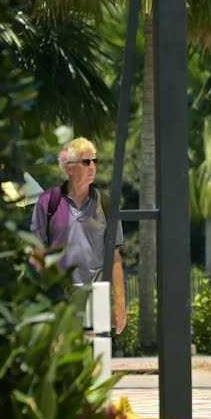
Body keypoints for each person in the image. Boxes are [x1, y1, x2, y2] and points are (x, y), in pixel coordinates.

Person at [31, 137, 127, 334]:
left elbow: (115, 257)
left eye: (94, 161)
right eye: (86, 161)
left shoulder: (107, 204)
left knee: (97, 357)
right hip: (60, 299)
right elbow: (37, 254)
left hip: (97, 296)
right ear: (69, 168)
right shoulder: (47, 203)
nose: (92, 166)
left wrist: (120, 304)